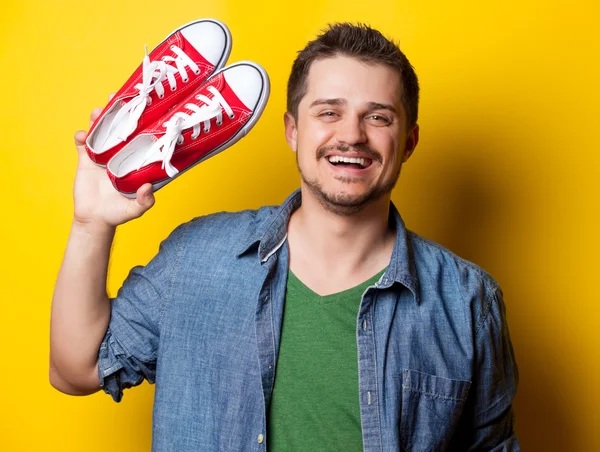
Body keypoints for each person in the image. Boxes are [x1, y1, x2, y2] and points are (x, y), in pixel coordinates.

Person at [50, 23, 519, 451]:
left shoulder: (467, 301)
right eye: (328, 112)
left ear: (409, 141)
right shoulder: (193, 260)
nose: (351, 135)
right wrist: (92, 224)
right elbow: (75, 369)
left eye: (377, 117)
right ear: (293, 130)